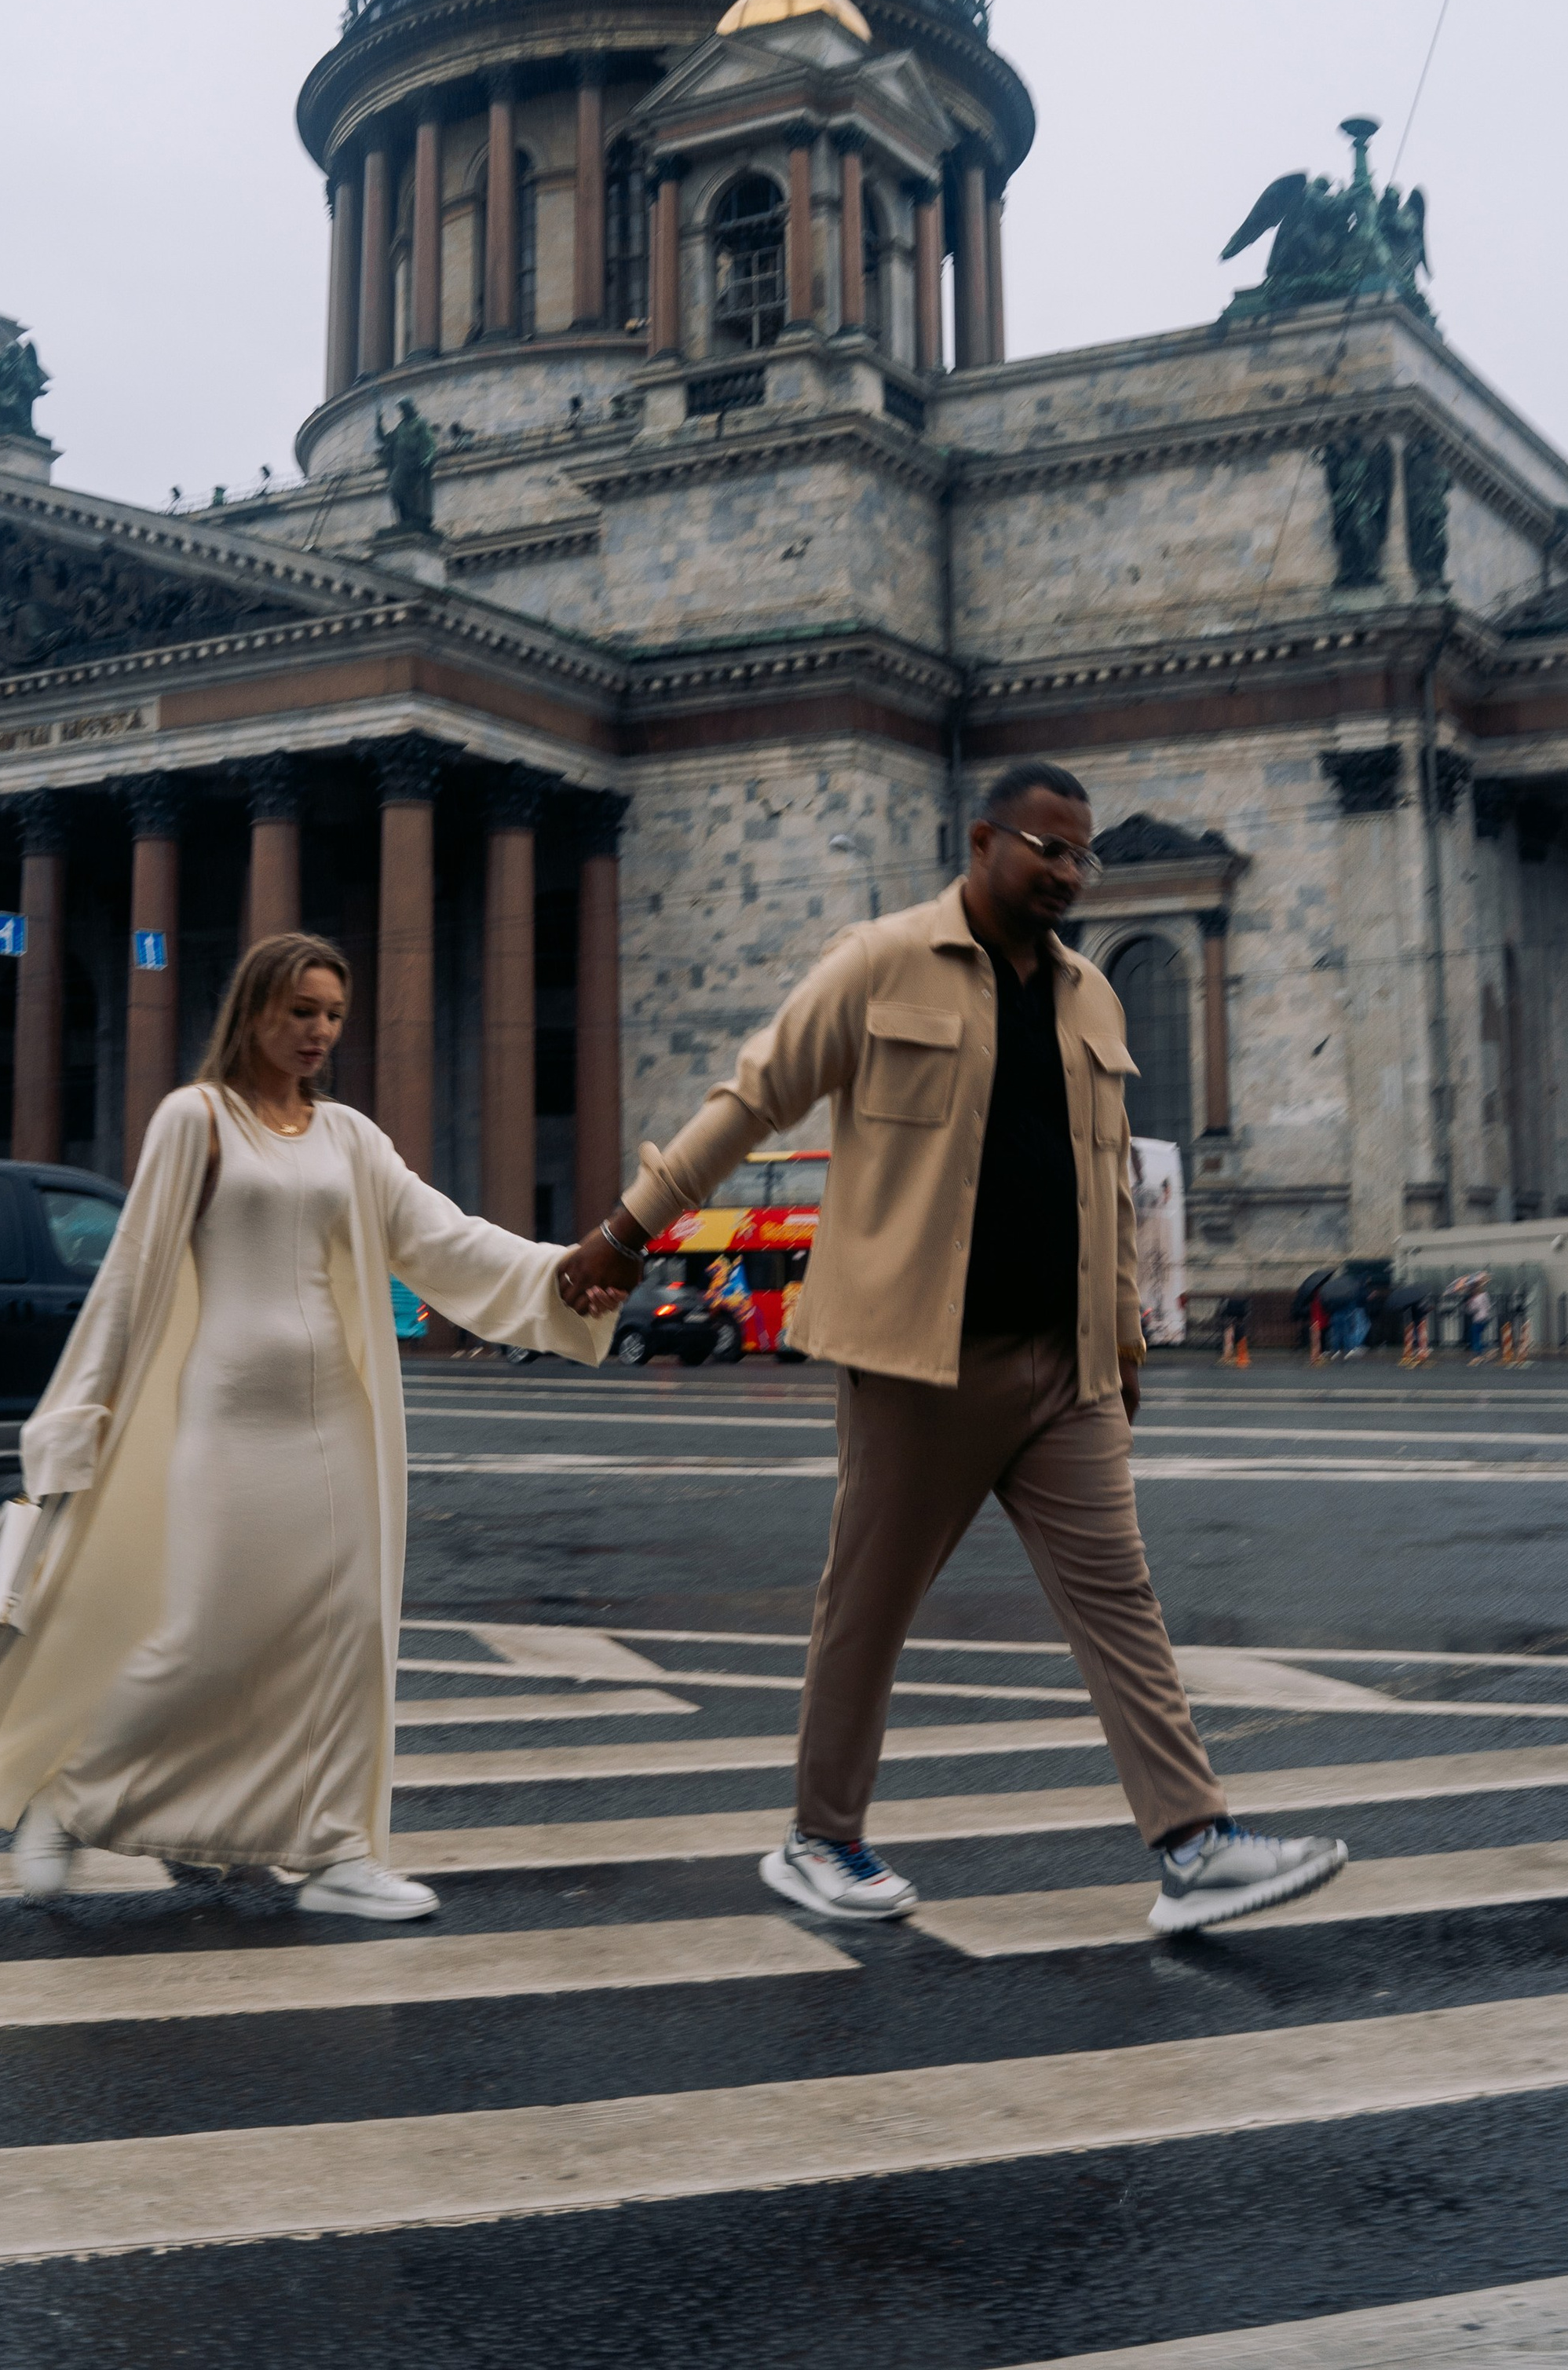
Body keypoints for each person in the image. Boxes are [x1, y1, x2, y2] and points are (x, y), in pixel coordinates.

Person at [557, 758, 1347, 1935]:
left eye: (1085, 856)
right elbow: (751, 1100)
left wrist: (1123, 1332)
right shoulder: (879, 962)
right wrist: (629, 1231)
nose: (1070, 873)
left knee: (1121, 1598)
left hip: (1062, 1368)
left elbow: (1110, 1181)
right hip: (921, 1360)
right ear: (983, 842)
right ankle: (822, 1838)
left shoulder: (1093, 996)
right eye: (1048, 848)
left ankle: (1193, 1843)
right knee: (868, 1603)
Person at [0, 932, 621, 1913]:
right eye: (302, 1010)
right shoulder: (194, 1119)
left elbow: (443, 1237)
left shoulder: (349, 1138)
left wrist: (562, 1272)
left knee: (345, 1636)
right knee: (199, 1638)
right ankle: (66, 1800)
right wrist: (74, 1420)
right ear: (253, 1010)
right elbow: (128, 1279)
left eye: (333, 1014)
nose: (320, 1031)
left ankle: (336, 1855)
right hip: (225, 1418)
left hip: (335, 1418)